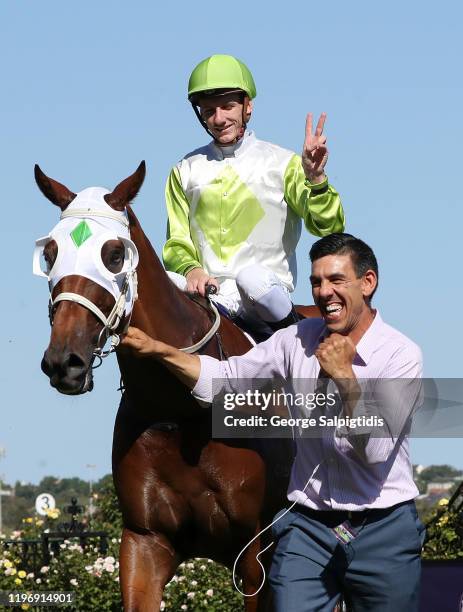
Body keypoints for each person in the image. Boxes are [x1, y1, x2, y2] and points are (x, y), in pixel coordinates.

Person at [122, 233, 425, 611]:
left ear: (368, 283)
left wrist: (346, 379)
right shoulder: (295, 339)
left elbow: (376, 451)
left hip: (383, 530)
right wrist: (160, 351)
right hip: (308, 529)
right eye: (316, 282)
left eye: (336, 280)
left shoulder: (400, 355)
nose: (324, 292)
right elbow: (227, 376)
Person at [163, 54, 345, 333]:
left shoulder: (284, 163)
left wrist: (316, 178)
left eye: (227, 106)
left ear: (248, 107)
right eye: (209, 110)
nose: (219, 118)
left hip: (265, 293)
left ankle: (296, 342)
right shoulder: (184, 170)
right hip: (208, 294)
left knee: (251, 279)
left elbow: (330, 228)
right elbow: (177, 241)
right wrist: (191, 270)